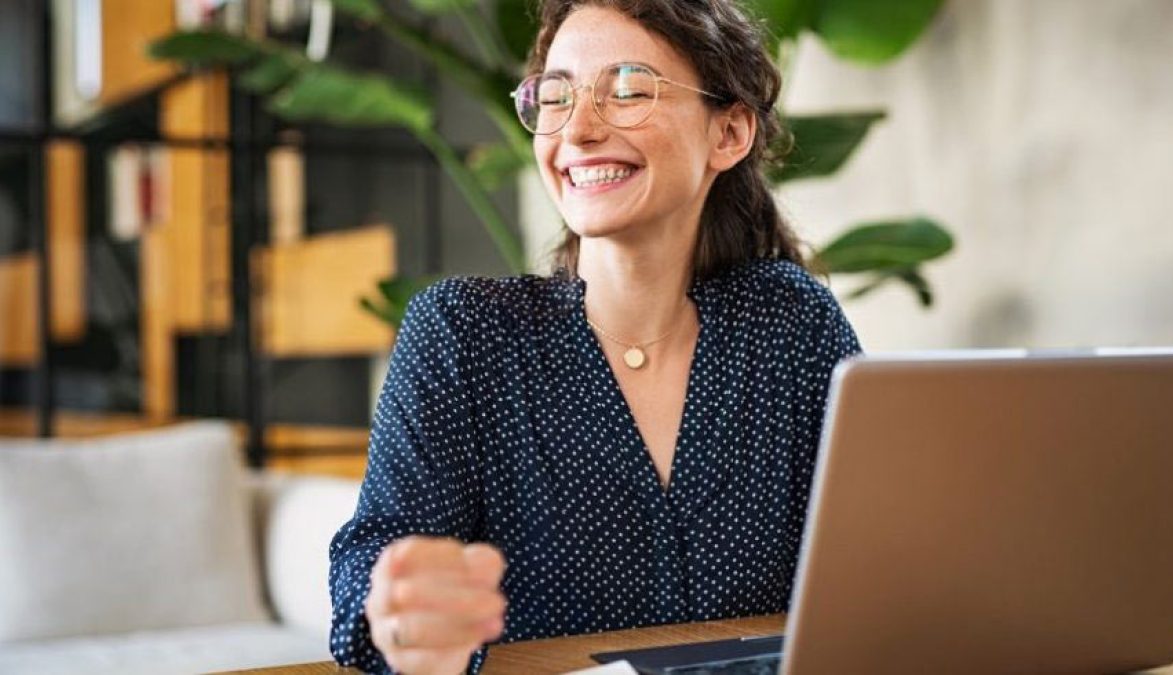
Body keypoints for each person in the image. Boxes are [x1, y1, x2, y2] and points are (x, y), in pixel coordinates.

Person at [328, 0, 862, 673]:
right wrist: (398, 612)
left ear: (728, 133)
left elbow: (880, 564)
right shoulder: (464, 335)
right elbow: (369, 574)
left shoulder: (792, 324)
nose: (577, 130)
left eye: (630, 89)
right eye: (555, 97)